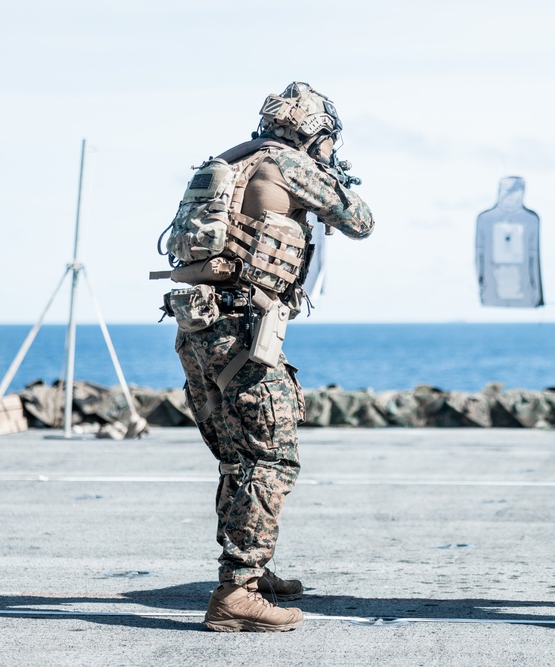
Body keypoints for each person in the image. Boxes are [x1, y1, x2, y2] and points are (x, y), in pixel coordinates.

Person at [160, 82, 374, 632]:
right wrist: (330, 176)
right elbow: (361, 220)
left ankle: (255, 571)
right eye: (326, 138)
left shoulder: (229, 162)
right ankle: (238, 590)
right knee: (273, 460)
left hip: (197, 328)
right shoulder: (286, 164)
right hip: (243, 332)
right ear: (312, 132)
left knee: (237, 458)